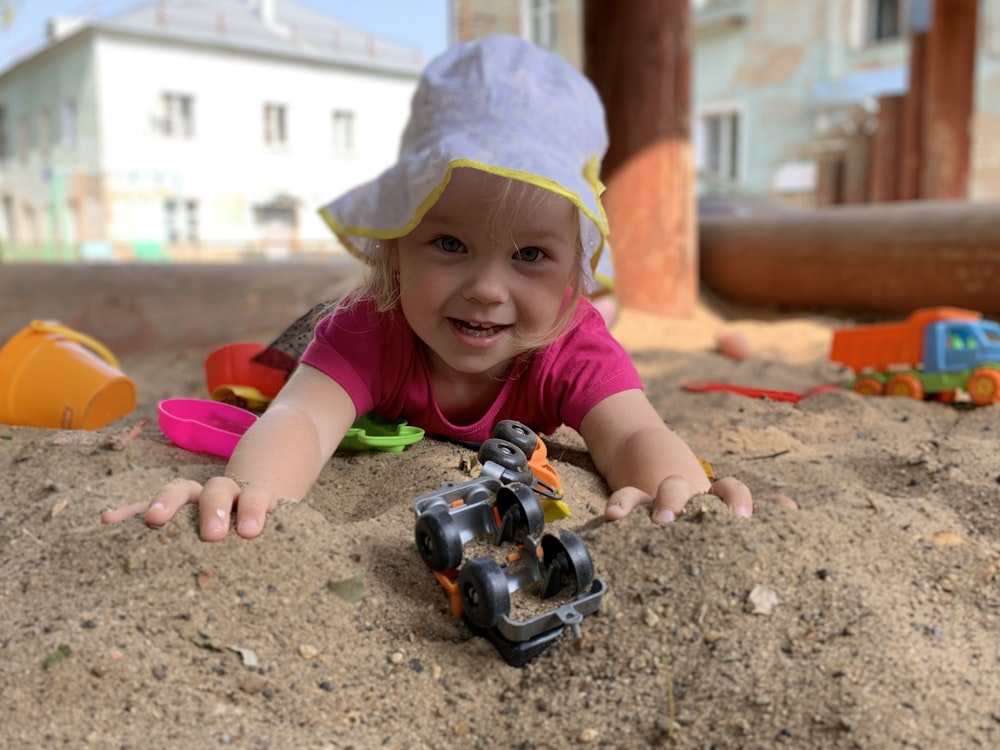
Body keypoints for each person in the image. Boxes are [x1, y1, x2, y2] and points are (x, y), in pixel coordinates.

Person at [102, 34, 754, 542]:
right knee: (281, 364)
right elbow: (300, 417)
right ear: (394, 246)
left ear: (574, 275)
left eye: (531, 254)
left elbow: (634, 433)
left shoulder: (572, 343)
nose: (487, 288)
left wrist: (675, 488)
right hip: (344, 330)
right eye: (449, 245)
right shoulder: (371, 325)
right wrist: (250, 491)